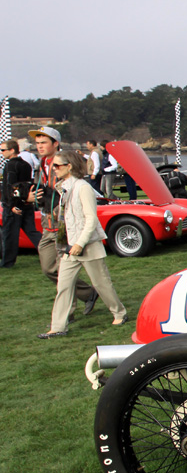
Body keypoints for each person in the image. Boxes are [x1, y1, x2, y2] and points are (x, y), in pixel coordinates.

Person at [37, 150, 127, 338]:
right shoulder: (64, 187)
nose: (54, 169)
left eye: (57, 166)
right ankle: (58, 326)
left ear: (69, 166)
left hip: (87, 245)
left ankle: (119, 313)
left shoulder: (82, 187)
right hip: (69, 246)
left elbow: (91, 219)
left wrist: (80, 242)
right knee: (64, 286)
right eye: (53, 166)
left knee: (101, 284)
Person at [25, 127, 98, 316]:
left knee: (64, 270)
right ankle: (89, 293)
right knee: (49, 268)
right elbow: (41, 189)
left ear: (55, 143)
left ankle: (67, 313)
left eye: (43, 143)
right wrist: (30, 197)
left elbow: (72, 189)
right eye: (38, 143)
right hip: (47, 223)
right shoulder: (41, 164)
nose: (39, 146)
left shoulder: (65, 163)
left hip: (62, 224)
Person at [2, 139, 41, 267]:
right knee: (32, 231)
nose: (2, 153)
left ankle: (7, 262)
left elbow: (11, 186)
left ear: (12, 150)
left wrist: (12, 204)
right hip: (26, 202)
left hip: (15, 204)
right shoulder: (26, 165)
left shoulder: (10, 165)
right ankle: (49, 253)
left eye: (3, 150)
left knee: (10, 234)